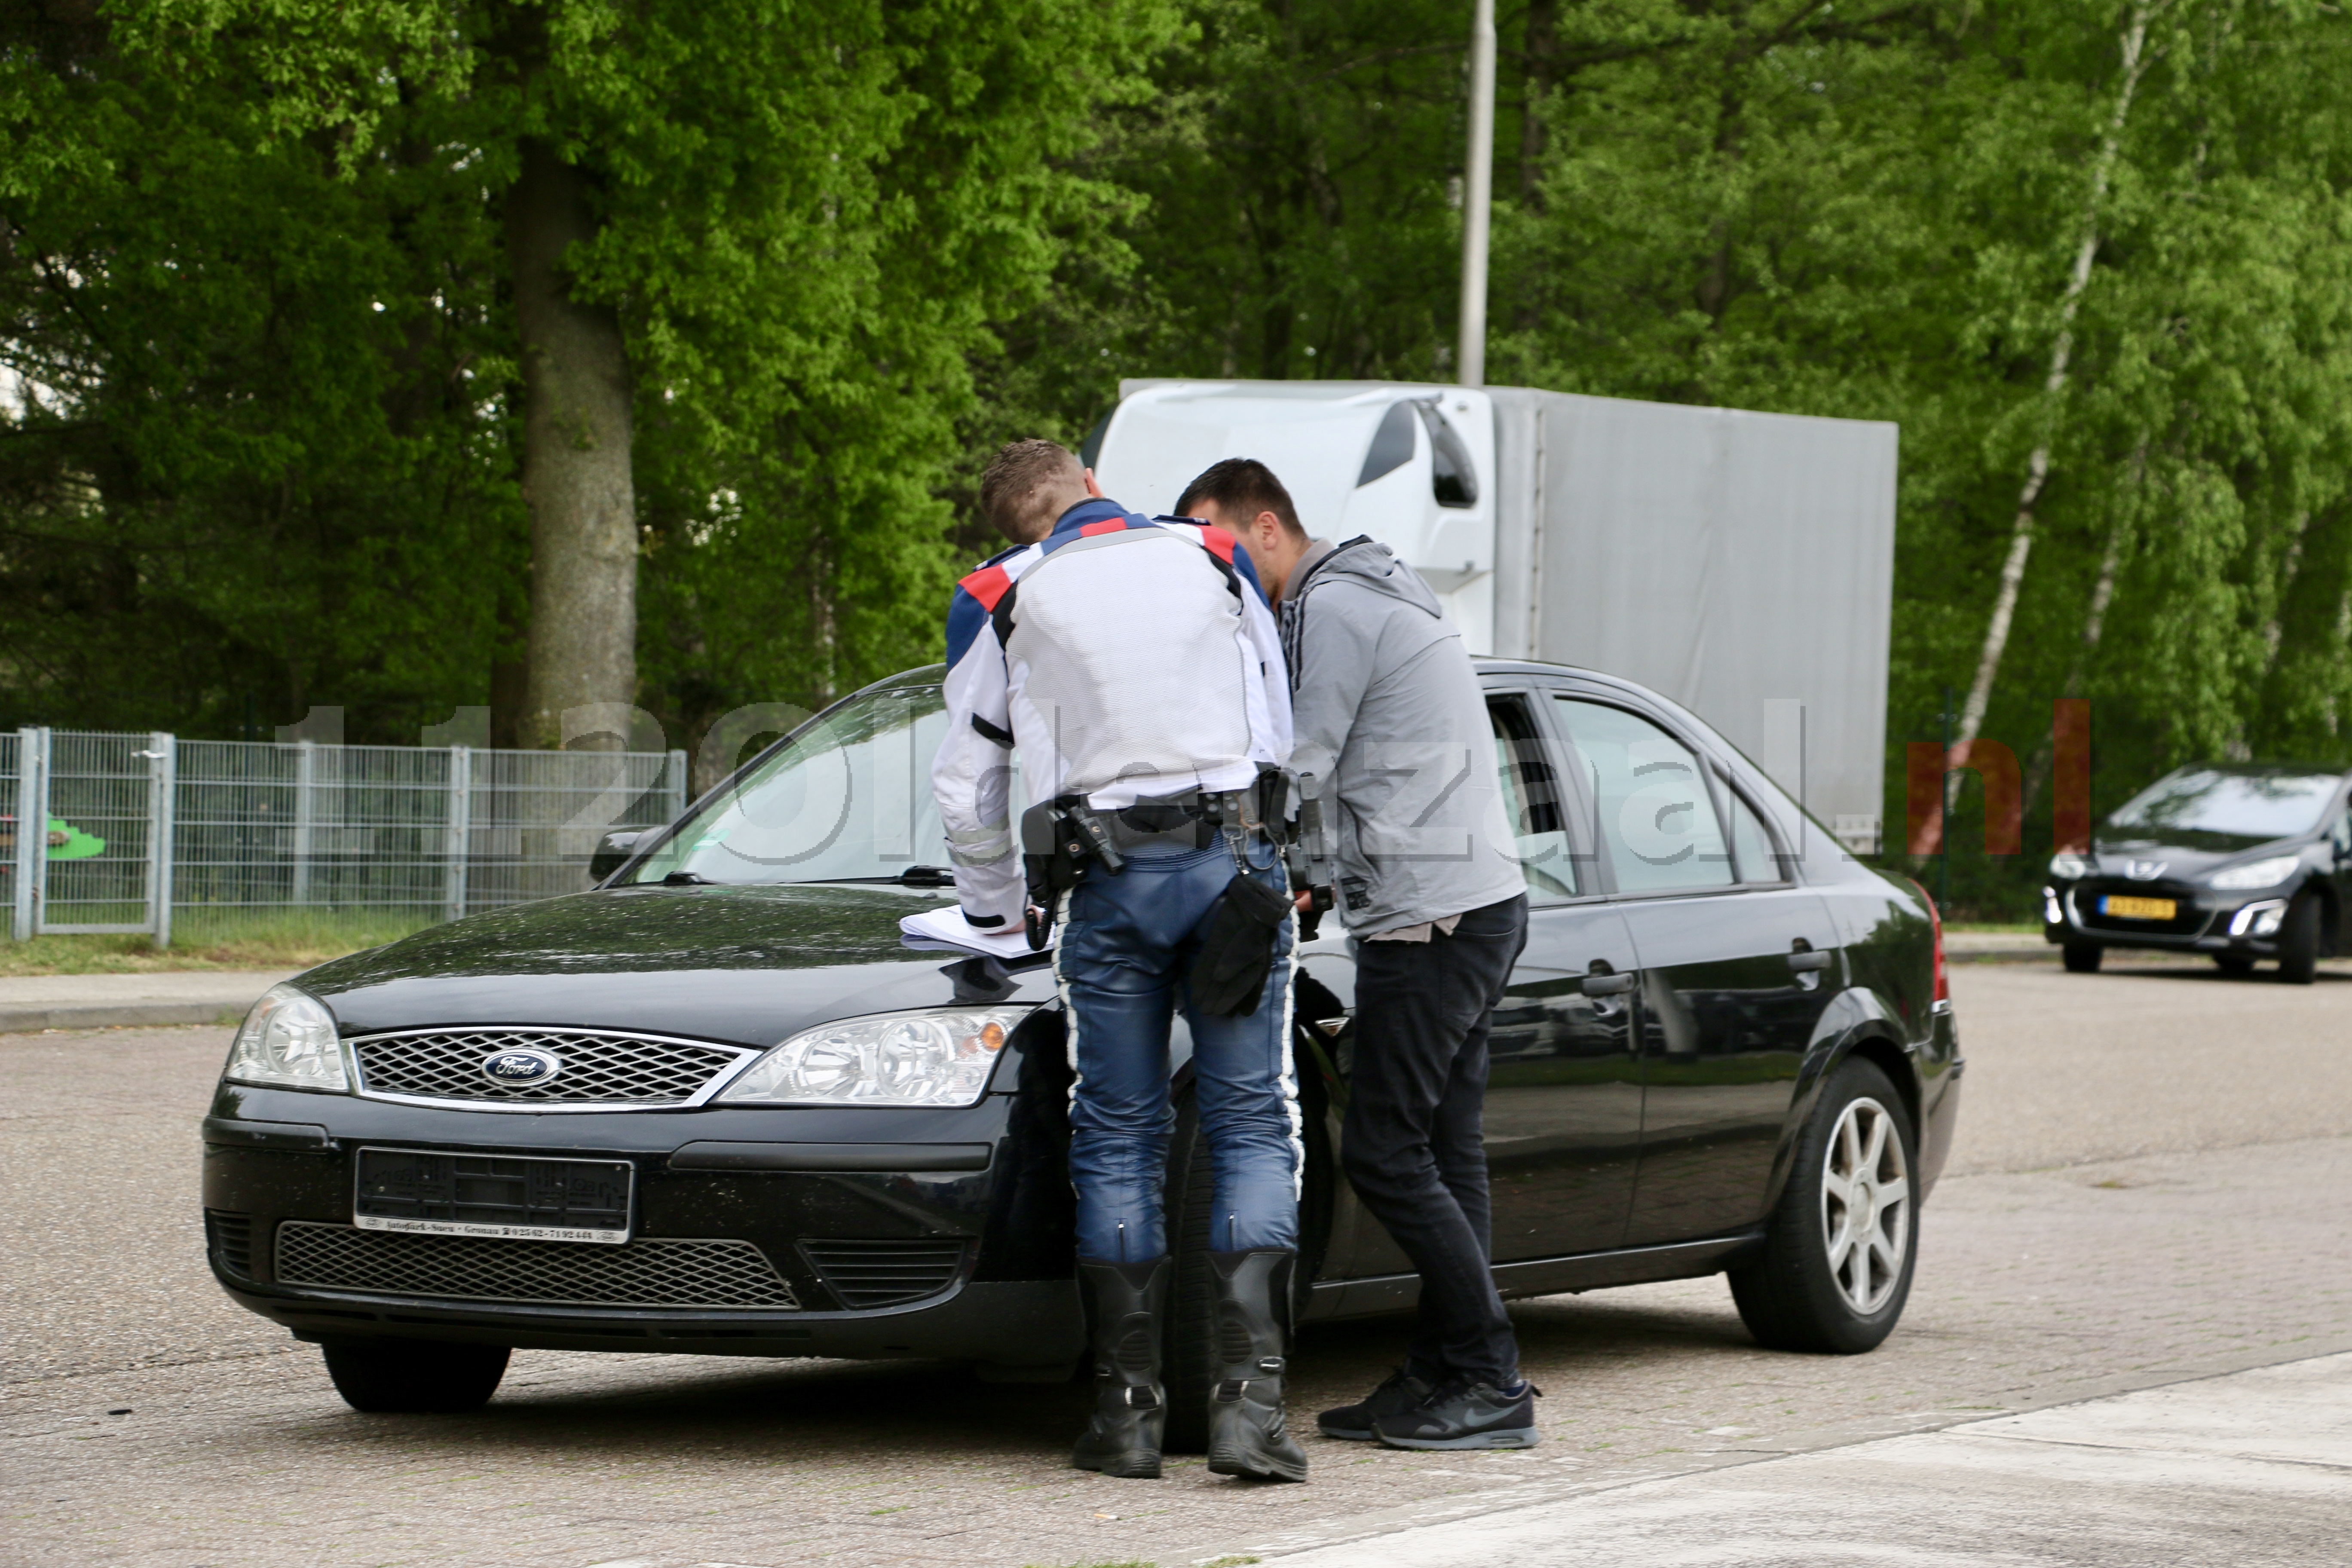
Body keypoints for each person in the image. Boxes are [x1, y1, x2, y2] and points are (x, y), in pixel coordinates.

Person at [931, 439, 1309, 1483]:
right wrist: (1271, 856)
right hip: (1234, 870)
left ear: (1018, 526)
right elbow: (1274, 719)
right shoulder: (1216, 553)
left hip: (1106, 888)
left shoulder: (998, 593)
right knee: (1249, 1122)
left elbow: (969, 789)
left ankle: (1128, 1414)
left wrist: (997, 914)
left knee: (1116, 1134)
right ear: (1095, 486)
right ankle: (1251, 1413)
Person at [1176, 456, 1540, 1451]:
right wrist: (1322, 878)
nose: (1215, 576)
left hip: (1432, 919)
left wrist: (1219, 859)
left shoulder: (1328, 611)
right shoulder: (1369, 584)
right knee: (1443, 1151)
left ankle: (1492, 1378)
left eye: (1216, 548)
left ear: (1262, 529)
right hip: (1465, 903)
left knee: (1382, 1151)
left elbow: (1303, 764)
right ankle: (1447, 1371)